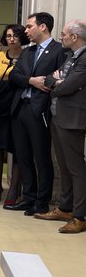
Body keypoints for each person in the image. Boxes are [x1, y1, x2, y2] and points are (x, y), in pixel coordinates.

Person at [7, 12, 66, 216]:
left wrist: (45, 80)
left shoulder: (59, 50)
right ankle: (28, 198)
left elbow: (59, 77)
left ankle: (41, 202)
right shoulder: (27, 52)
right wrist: (31, 81)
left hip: (40, 110)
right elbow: (14, 76)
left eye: (29, 26)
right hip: (20, 108)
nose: (26, 30)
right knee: (23, 156)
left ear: (43, 27)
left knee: (42, 157)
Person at [45, 20, 86, 233]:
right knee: (64, 166)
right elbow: (50, 79)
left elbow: (67, 86)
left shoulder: (85, 58)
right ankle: (65, 208)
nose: (61, 36)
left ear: (74, 37)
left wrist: (58, 83)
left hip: (72, 119)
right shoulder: (71, 56)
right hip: (58, 116)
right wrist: (56, 82)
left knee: (76, 168)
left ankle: (80, 216)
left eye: (64, 33)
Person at [0, 24, 28, 206]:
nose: (12, 39)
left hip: (15, 107)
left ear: (22, 37)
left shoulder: (27, 56)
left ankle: (14, 189)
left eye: (15, 35)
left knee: (16, 148)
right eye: (9, 35)